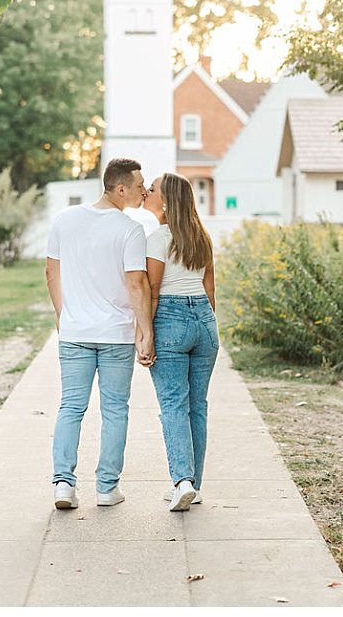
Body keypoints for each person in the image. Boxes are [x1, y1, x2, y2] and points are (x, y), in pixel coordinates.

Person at [45, 158, 155, 510]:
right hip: (115, 335)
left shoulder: (65, 220)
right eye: (140, 185)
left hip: (76, 332)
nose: (144, 190)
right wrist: (145, 332)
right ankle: (107, 489)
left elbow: (51, 273)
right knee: (114, 411)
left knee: (71, 407)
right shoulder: (129, 230)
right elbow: (137, 284)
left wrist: (65, 317)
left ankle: (63, 484)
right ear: (120, 188)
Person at [142, 173, 218, 511]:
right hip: (204, 320)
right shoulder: (202, 238)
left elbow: (152, 292)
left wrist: (146, 335)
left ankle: (182, 481)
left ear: (167, 202)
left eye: (153, 189)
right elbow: (210, 289)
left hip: (170, 318)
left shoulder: (158, 239)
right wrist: (205, 327)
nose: (147, 192)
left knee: (173, 404)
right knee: (197, 406)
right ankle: (194, 485)